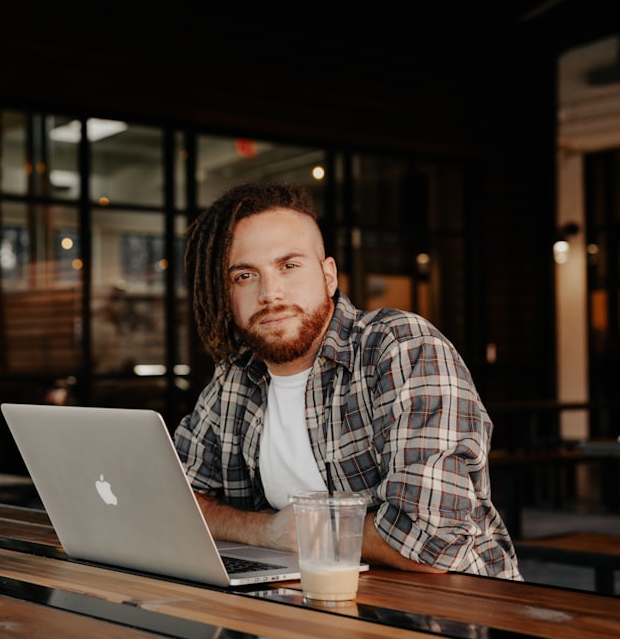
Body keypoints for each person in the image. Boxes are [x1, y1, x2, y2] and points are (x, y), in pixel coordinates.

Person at [173, 181, 521, 579]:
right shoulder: (235, 379)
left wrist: (307, 530)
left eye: (289, 265)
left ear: (329, 276)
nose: (270, 292)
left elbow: (430, 541)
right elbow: (175, 499)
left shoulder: (400, 348)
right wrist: (268, 531)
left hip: (454, 613)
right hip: (308, 606)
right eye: (245, 275)